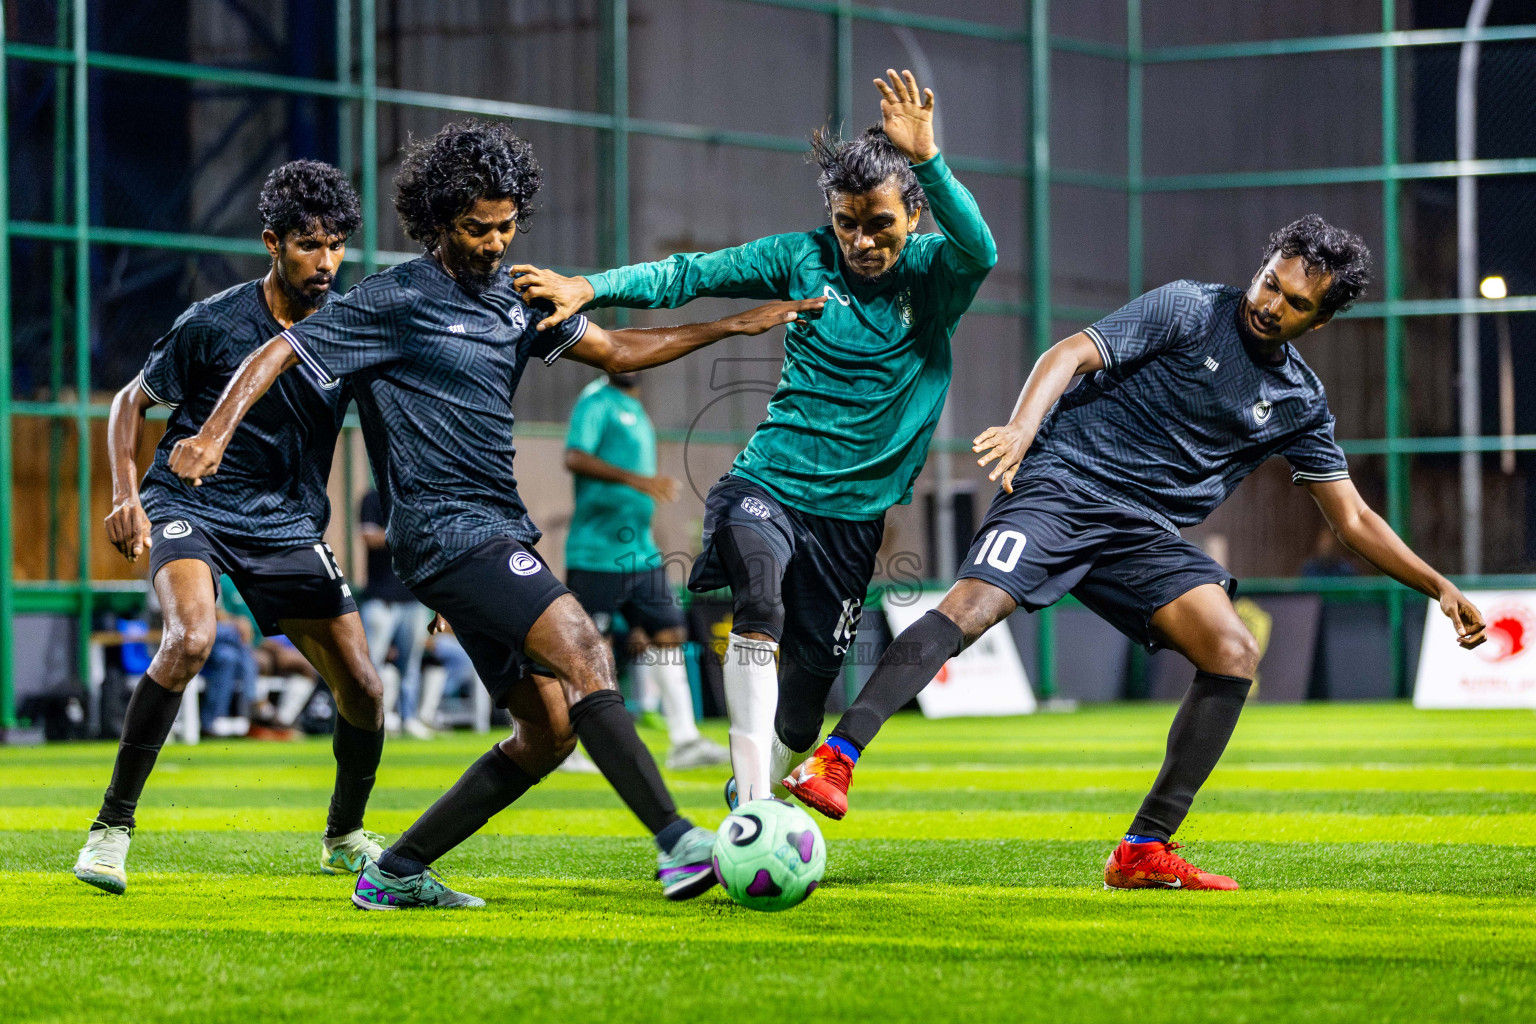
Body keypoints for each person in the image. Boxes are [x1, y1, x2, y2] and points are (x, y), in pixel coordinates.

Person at [166, 119, 824, 909]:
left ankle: (396, 872)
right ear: (441, 220)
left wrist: (730, 324)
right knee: (585, 647)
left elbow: (616, 351)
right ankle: (682, 843)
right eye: (477, 228)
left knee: (548, 731)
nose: (494, 242)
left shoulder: (519, 302)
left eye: (507, 225)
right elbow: (280, 350)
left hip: (493, 534)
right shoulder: (393, 298)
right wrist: (210, 433)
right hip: (444, 531)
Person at [783, 215, 1489, 890]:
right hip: (1064, 482)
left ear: (1321, 320)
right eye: (1270, 282)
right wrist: (1024, 432)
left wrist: (1438, 586)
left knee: (1232, 650)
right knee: (973, 607)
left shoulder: (1298, 399)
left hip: (1142, 533)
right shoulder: (1189, 309)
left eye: (1295, 302)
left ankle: (1144, 848)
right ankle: (836, 757)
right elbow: (1067, 354)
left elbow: (1354, 519)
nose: (1271, 304)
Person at [515, 69, 997, 808]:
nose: (861, 240)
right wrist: (590, 286)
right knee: (758, 604)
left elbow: (982, 250)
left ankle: (760, 784)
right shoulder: (801, 256)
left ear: (914, 214)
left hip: (854, 519)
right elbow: (690, 274)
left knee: (804, 711)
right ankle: (749, 805)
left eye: (880, 224)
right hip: (768, 483)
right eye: (847, 222)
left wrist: (929, 158)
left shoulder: (935, 276)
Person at [74, 161, 390, 896]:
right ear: (271, 244)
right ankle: (110, 830)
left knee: (367, 692)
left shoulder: (350, 329)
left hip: (286, 524)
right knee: (191, 638)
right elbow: (130, 401)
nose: (327, 261)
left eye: (338, 244)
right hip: (193, 504)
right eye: (310, 245)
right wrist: (125, 493)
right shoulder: (215, 321)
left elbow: (390, 441)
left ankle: (343, 838)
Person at [564, 372, 730, 770]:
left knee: (670, 631)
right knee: (586, 648)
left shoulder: (634, 407)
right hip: (597, 552)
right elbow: (574, 457)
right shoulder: (595, 401)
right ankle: (569, 747)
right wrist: (639, 482)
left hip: (641, 552)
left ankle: (685, 741)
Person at [358, 487, 435, 738]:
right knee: (372, 664)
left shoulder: (418, 496)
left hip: (412, 597)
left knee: (411, 665)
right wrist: (406, 535)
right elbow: (369, 537)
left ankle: (409, 718)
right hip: (381, 598)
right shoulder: (373, 497)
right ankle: (370, 719)